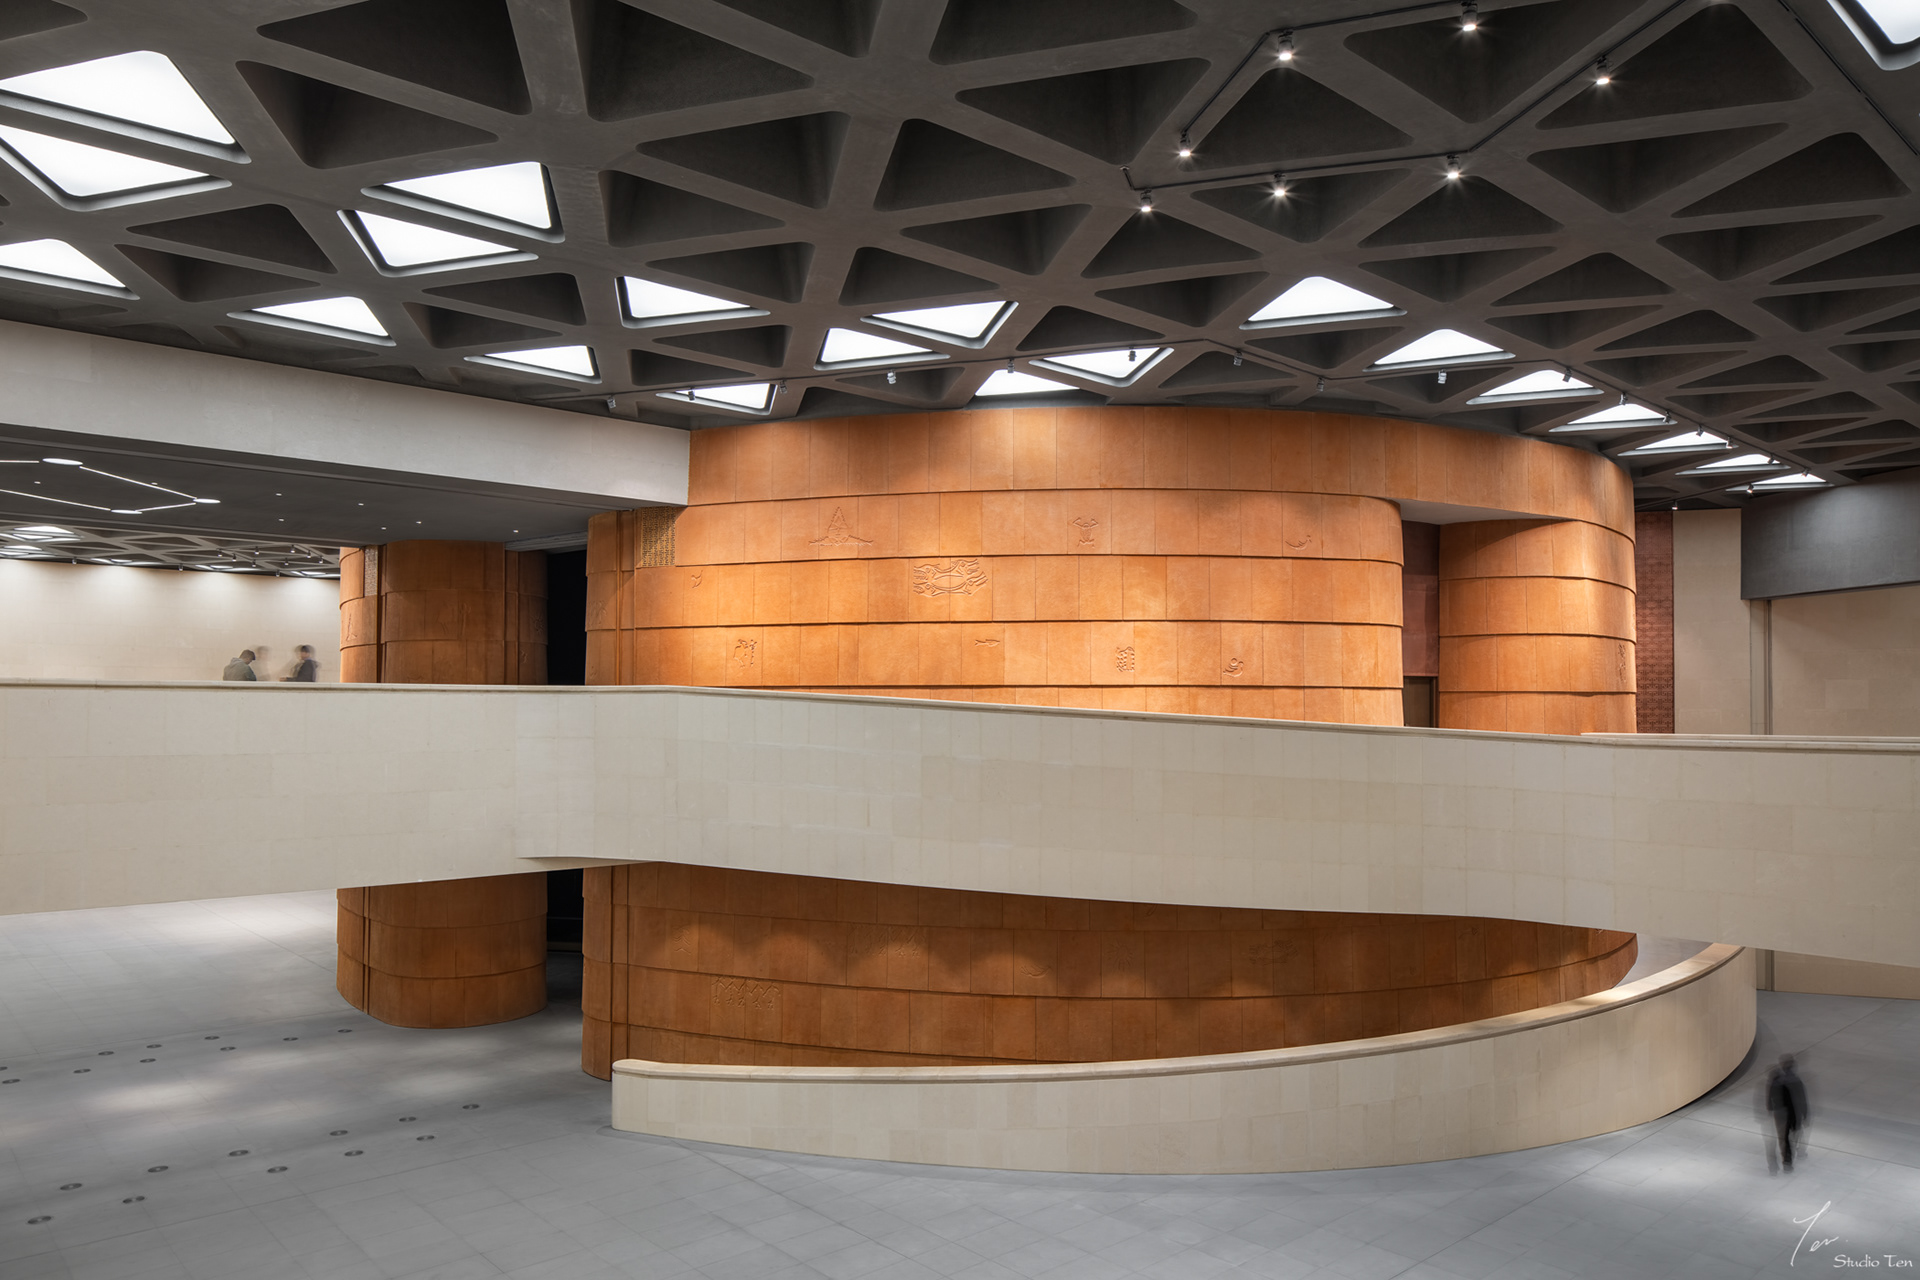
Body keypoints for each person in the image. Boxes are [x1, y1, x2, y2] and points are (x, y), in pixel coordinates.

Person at [1767, 1054, 1810, 1171]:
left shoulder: (1777, 1080)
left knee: (1784, 1138)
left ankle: (1787, 1161)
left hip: (1781, 1114)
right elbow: (1802, 1099)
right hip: (1794, 1113)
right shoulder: (1797, 1081)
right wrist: (1805, 1114)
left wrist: (1770, 1108)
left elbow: (1771, 1095)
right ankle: (1793, 1155)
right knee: (1794, 1134)